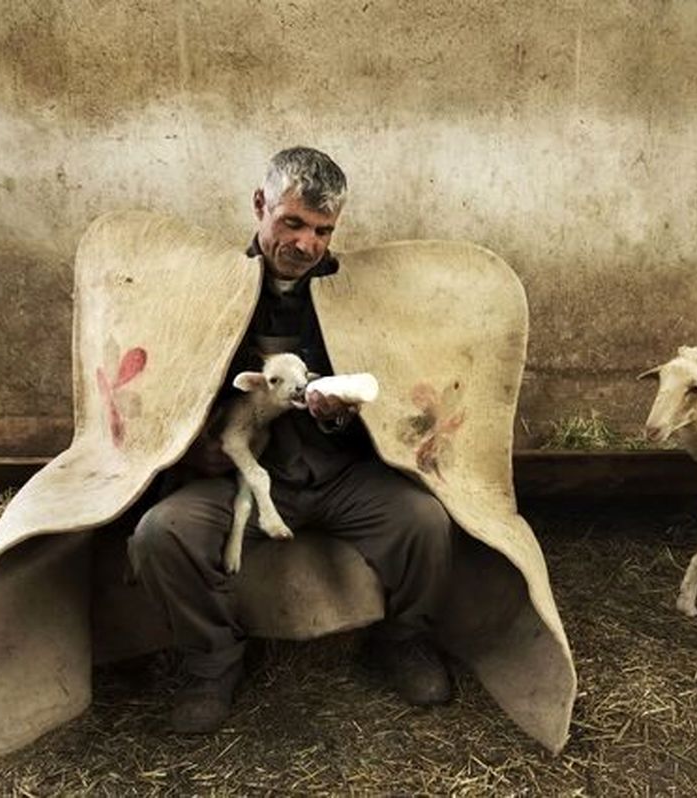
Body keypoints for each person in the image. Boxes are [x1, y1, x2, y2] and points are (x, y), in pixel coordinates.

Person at [127, 146, 455, 734]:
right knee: (160, 535)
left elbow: (391, 390)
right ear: (260, 205)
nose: (307, 244)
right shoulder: (212, 288)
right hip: (239, 475)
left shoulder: (353, 295)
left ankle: (403, 640)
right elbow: (171, 388)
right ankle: (211, 662)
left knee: (425, 523)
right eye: (293, 222)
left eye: (323, 230)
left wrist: (338, 414)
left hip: (340, 473)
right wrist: (198, 444)